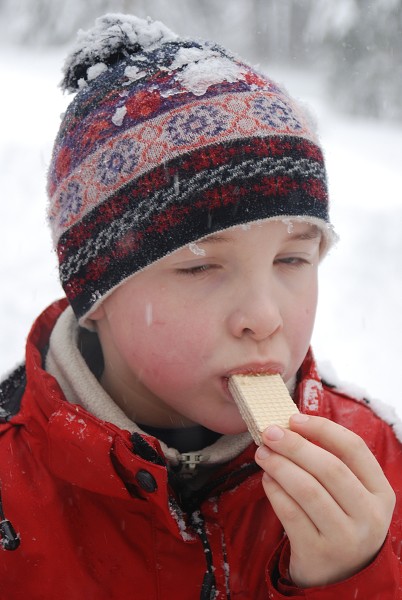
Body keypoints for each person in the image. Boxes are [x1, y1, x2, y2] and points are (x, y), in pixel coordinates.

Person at [0, 13, 400, 599]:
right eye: (201, 266)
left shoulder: (376, 461)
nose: (264, 317)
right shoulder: (12, 492)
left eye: (292, 260)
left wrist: (349, 575)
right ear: (98, 297)